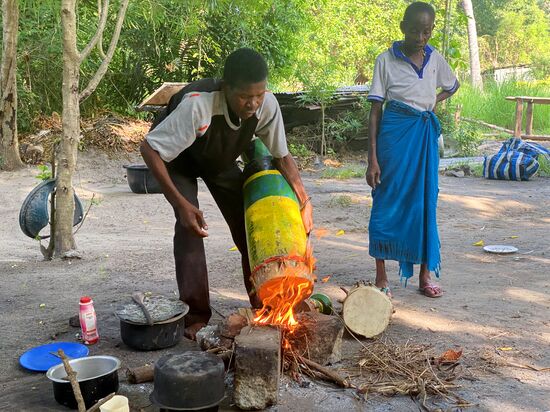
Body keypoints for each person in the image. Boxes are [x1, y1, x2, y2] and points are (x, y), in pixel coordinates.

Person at [141, 48, 313, 339]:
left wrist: (304, 200)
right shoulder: (198, 106)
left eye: (259, 95)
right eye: (246, 96)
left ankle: (268, 300)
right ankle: (196, 314)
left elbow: (282, 157)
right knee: (190, 229)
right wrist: (180, 203)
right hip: (177, 161)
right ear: (226, 87)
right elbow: (149, 149)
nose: (253, 103)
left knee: (249, 225)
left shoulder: (266, 106)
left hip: (218, 160)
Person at [366, 2, 459, 298]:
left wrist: (433, 102)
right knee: (386, 199)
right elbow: (376, 111)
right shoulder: (385, 60)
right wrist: (372, 158)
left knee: (424, 202)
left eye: (427, 31)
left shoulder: (435, 58)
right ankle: (381, 278)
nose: (421, 37)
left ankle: (424, 274)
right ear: (403, 27)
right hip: (394, 135)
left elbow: (452, 85)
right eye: (415, 30)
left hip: (424, 137)